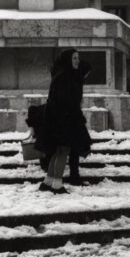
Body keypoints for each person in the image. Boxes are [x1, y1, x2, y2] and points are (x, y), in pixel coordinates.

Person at [38, 48, 92, 193]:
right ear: (68, 60)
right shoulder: (65, 78)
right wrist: (74, 117)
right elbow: (66, 102)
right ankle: (57, 184)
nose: (78, 61)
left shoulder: (62, 75)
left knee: (57, 152)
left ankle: (48, 181)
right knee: (63, 150)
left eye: (78, 58)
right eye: (74, 58)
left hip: (59, 119)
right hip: (63, 120)